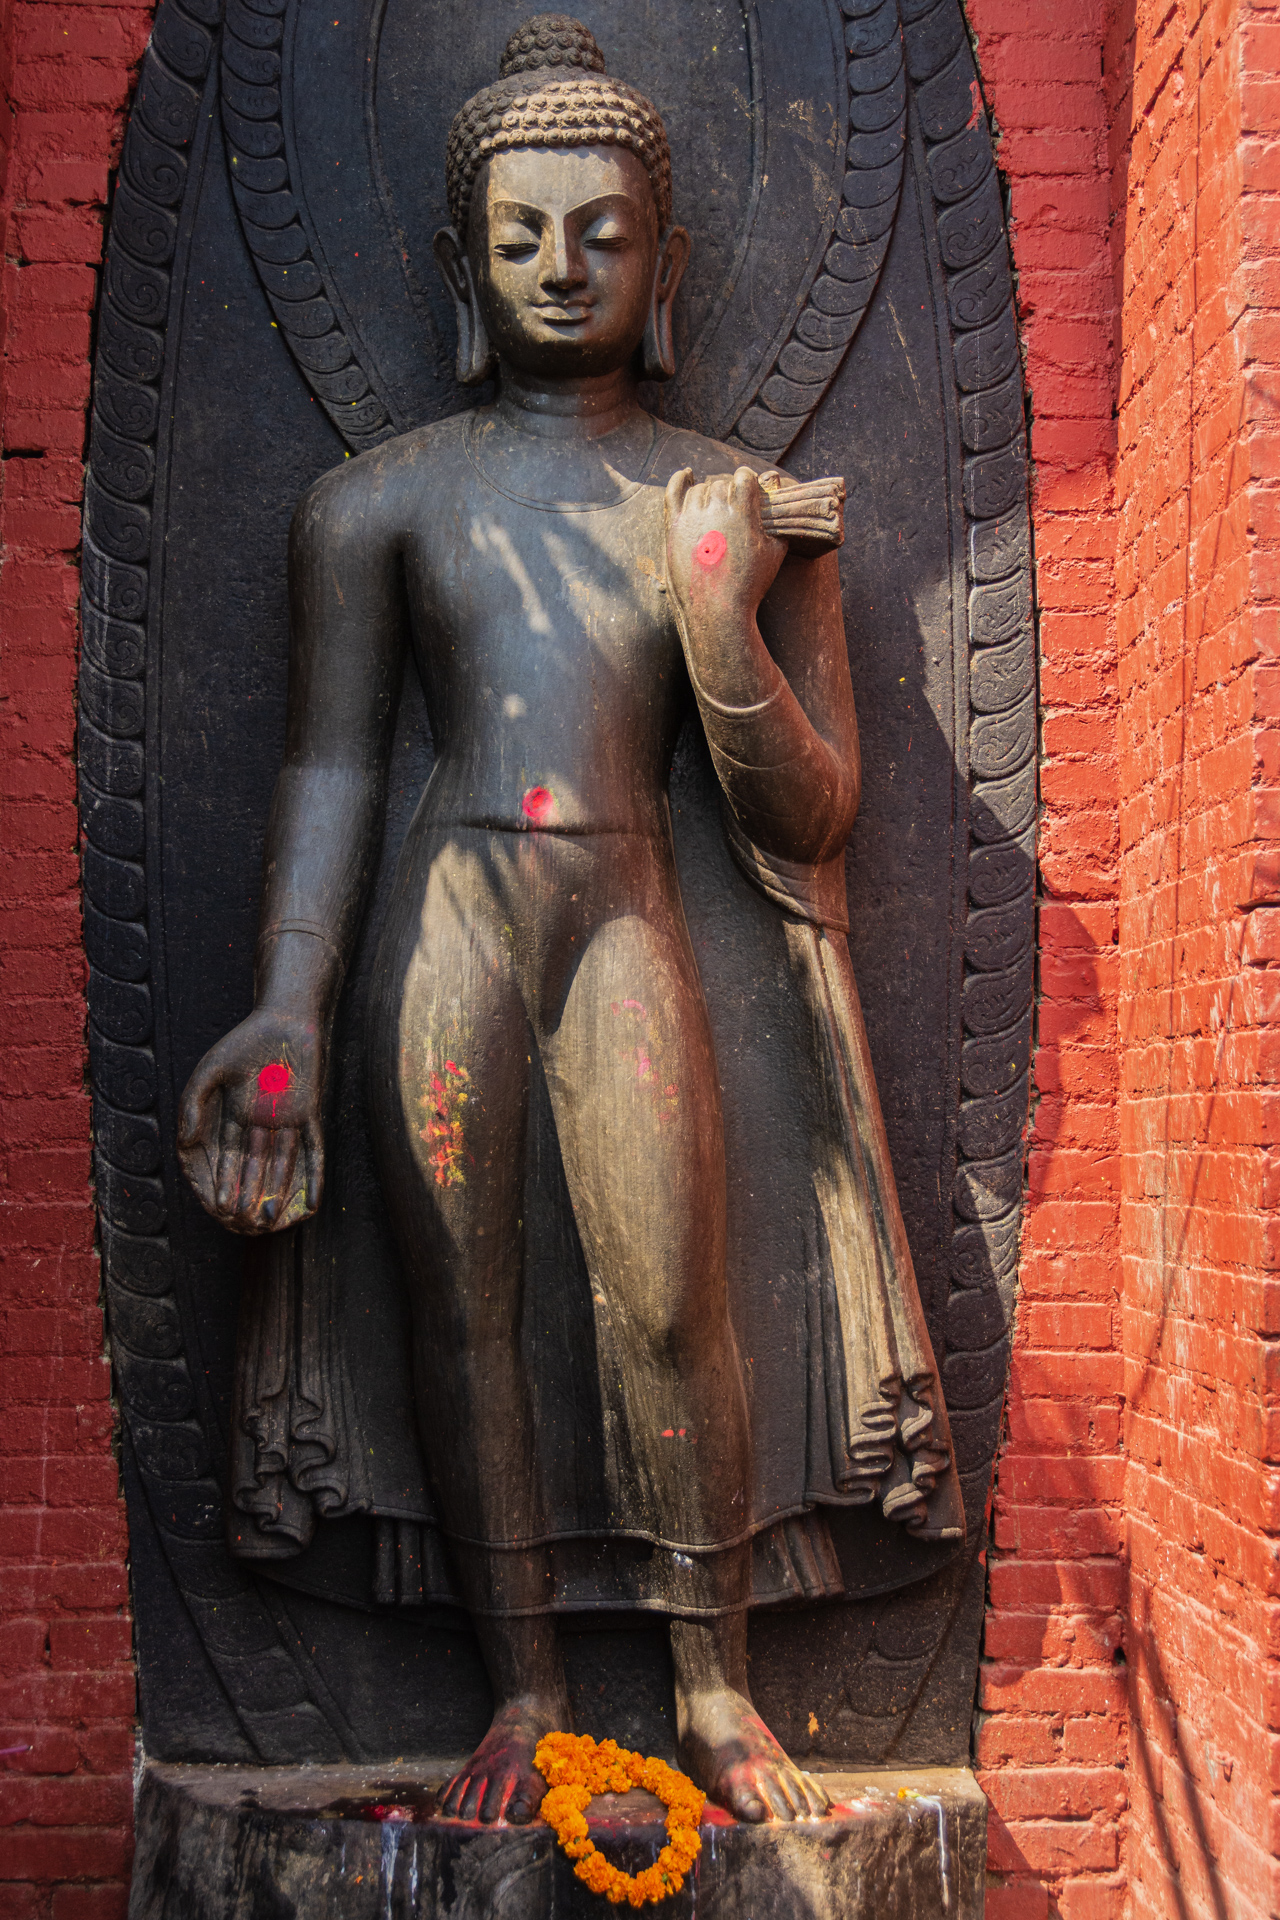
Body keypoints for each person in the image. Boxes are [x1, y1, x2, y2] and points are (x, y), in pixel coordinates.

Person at [178, 13, 917, 1826]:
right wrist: (286, 1003)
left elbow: (813, 817)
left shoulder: (726, 500)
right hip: (447, 921)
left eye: (602, 234)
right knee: (465, 1310)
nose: (563, 268)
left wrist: (726, 618)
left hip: (626, 918)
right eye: (520, 238)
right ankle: (515, 1687)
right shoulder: (377, 506)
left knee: (671, 1299)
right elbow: (333, 773)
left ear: (668, 260)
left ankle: (718, 1686)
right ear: (459, 263)